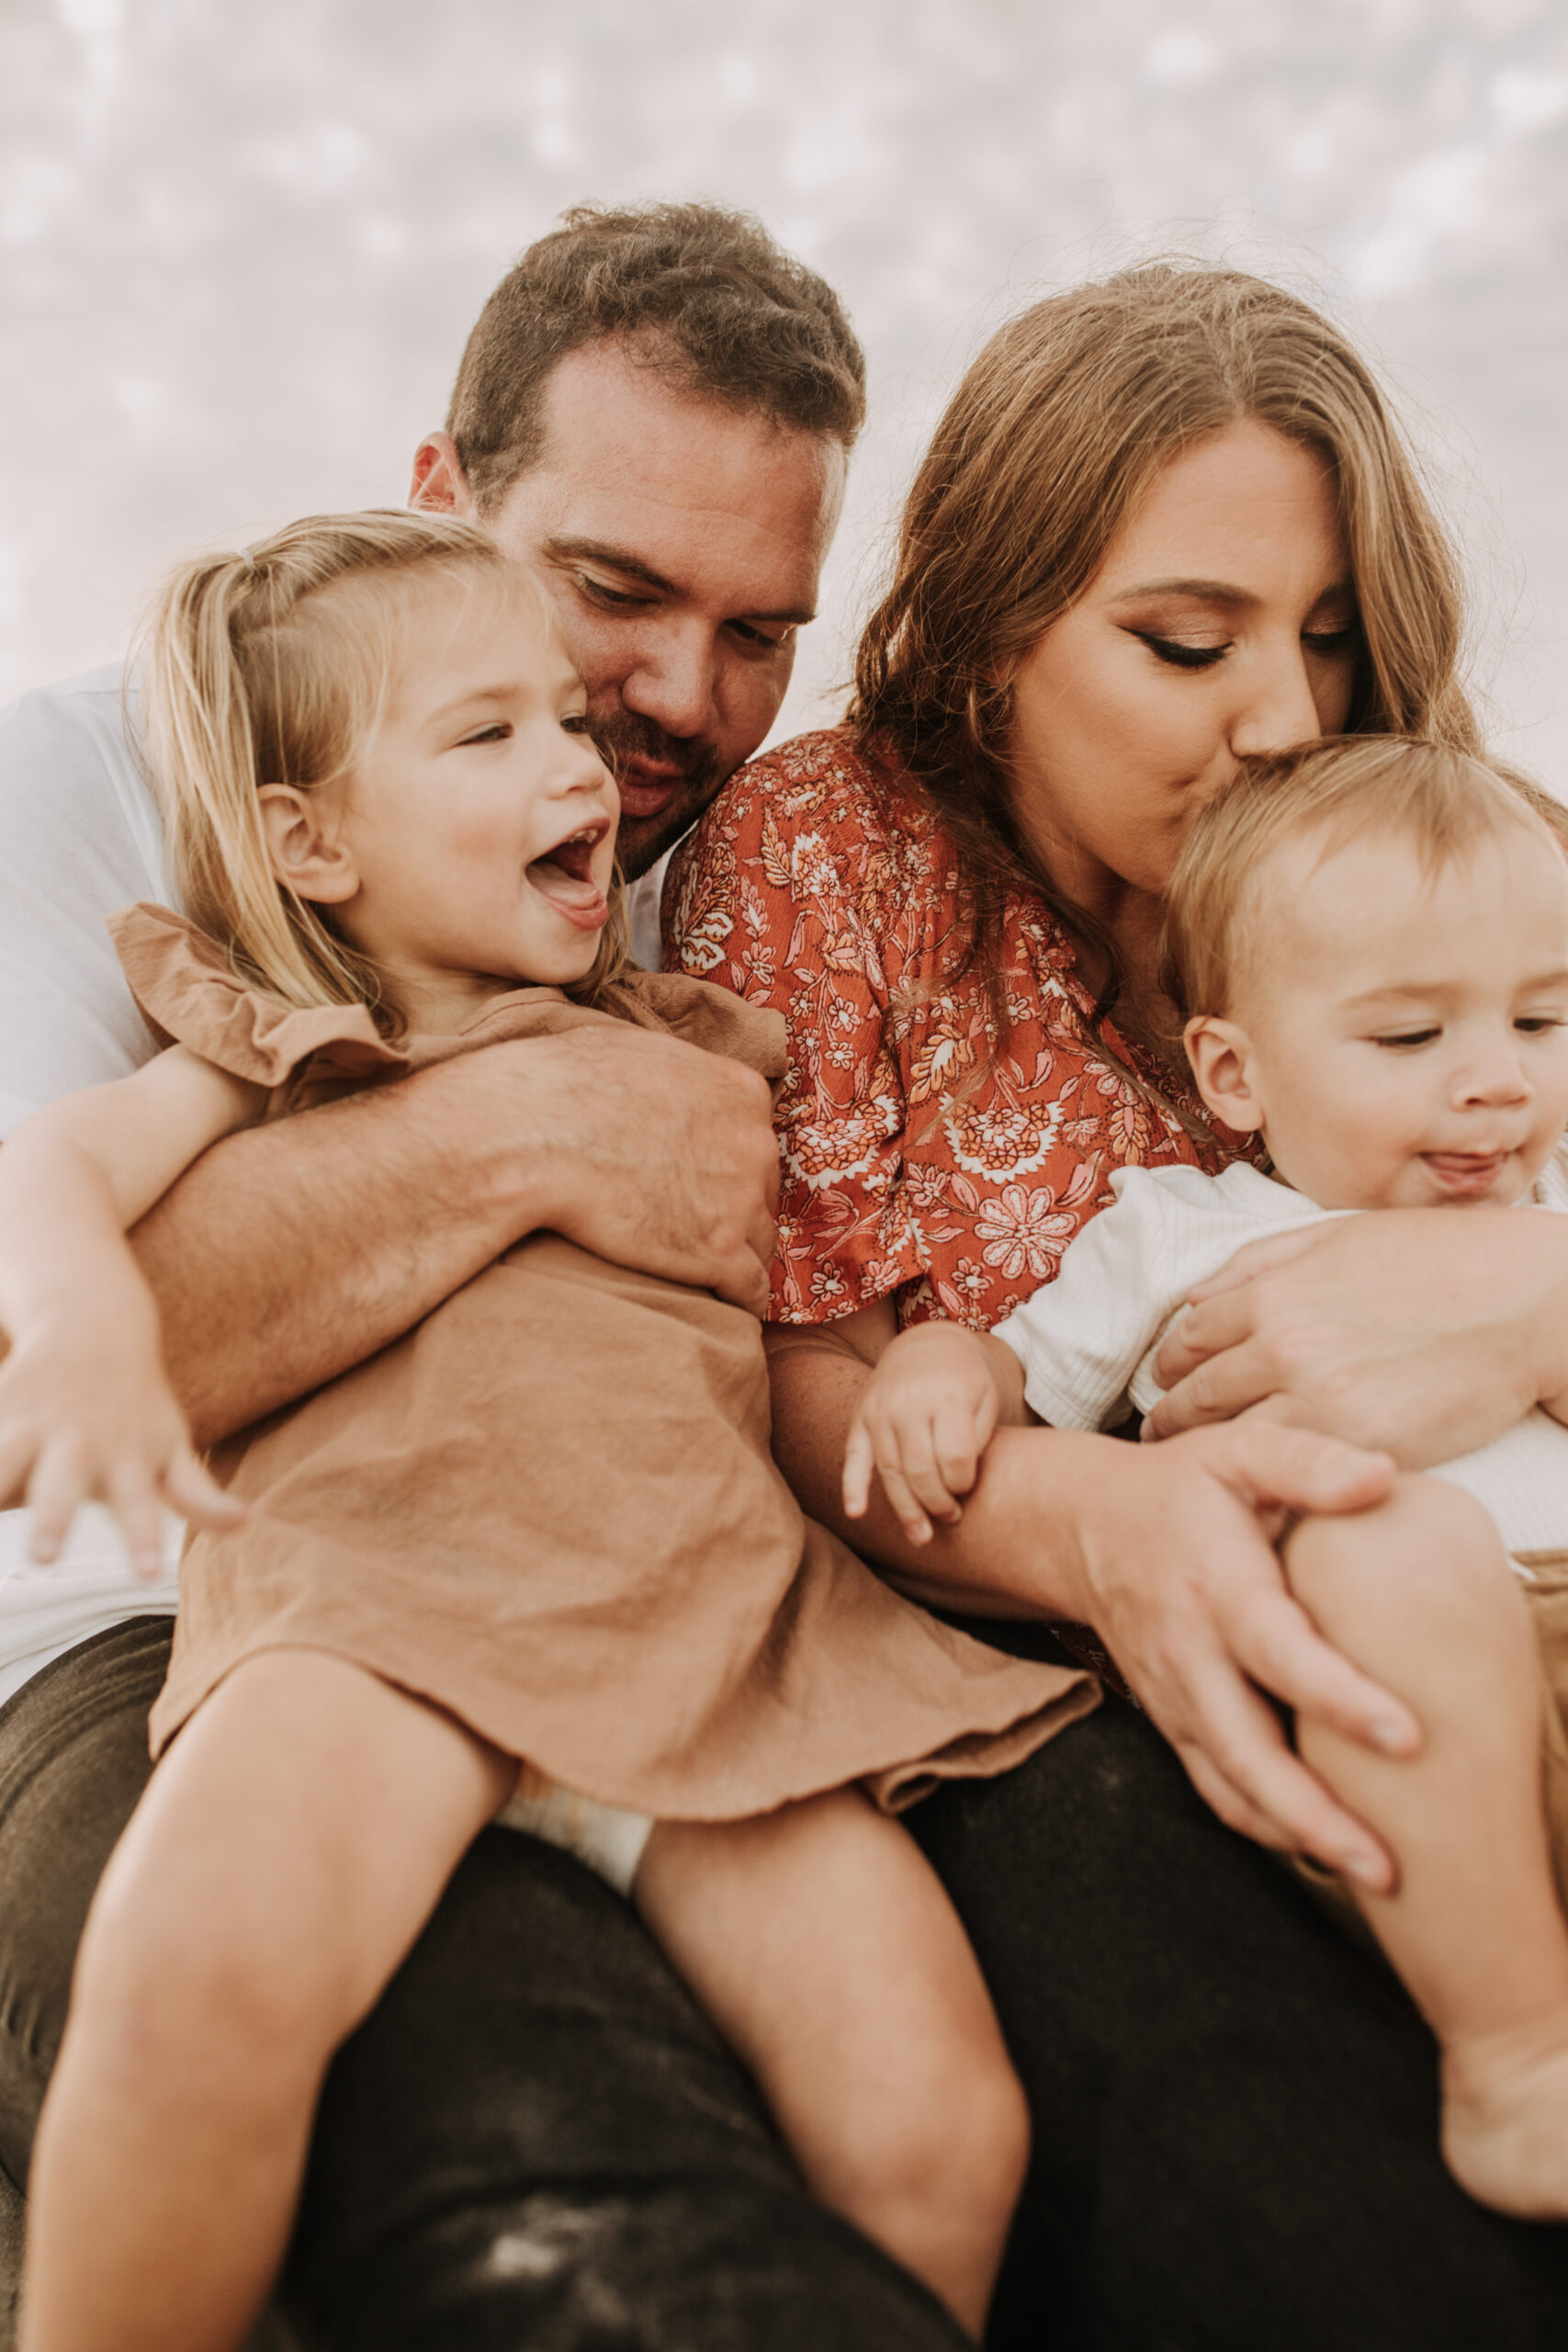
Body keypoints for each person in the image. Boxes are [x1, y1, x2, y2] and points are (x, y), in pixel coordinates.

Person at [5, 507, 1098, 2351]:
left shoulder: (687, 1033)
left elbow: (866, 1282)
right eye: (484, 732)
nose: (570, 762)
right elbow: (53, 1166)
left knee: (934, 2116)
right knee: (196, 1984)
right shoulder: (283, 1038)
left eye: (562, 727)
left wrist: (955, 1363)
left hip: (699, 1641)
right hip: (376, 1614)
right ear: (309, 840)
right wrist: (94, 1322)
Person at [668, 260, 1568, 2341]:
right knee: (1328, 2216)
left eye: (1328, 639)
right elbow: (805, 1363)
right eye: (1184, 642)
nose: (1282, 717)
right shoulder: (831, 845)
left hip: (1494, 1606)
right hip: (1023, 1686)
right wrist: (1108, 1525)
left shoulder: (1406, 846)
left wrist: (1527, 1292)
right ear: (992, 629)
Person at [843, 734, 1568, 2217]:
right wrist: (935, 1369)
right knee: (1384, 1541)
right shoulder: (1182, 1232)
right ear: (1234, 1073)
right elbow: (1018, 1375)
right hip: (1401, 1719)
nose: (1497, 1083)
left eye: (1546, 1021)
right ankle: (1521, 2056)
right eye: (1410, 1039)